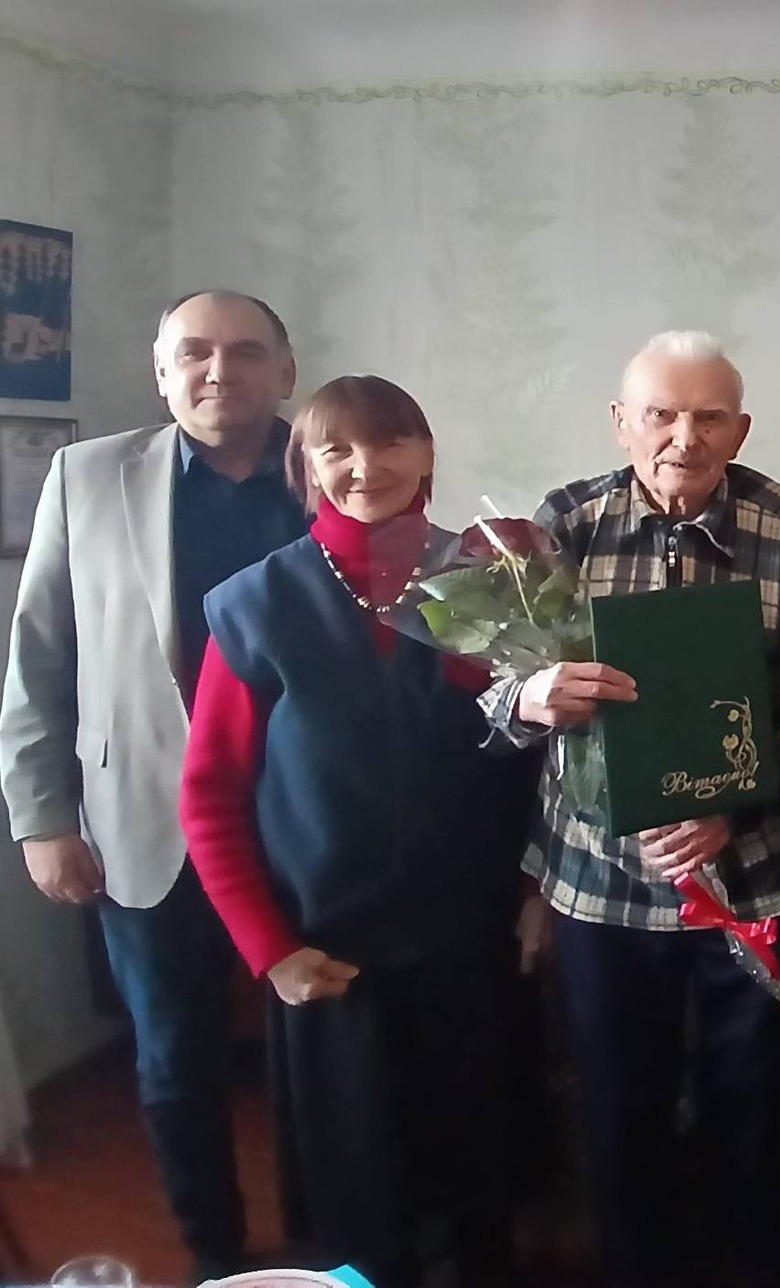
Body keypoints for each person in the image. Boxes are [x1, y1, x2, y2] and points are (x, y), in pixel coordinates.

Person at [479, 330, 780, 1288]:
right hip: (602, 887)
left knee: (757, 1111)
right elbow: (496, 695)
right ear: (621, 422)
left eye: (709, 417)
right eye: (662, 415)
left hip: (749, 880)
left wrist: (737, 803)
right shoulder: (565, 524)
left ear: (740, 430)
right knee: (619, 1113)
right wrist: (532, 697)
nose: (684, 437)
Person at [180, 375, 535, 1287]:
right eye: (336, 448)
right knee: (364, 1215)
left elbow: (541, 758)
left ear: (426, 454)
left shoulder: (484, 577)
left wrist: (538, 896)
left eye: (389, 442)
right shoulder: (257, 603)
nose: (365, 466)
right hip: (329, 955)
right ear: (306, 466)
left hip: (470, 940)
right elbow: (211, 792)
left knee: (482, 1194)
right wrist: (270, 951)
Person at [0, 290, 307, 1281]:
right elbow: (39, 656)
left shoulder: (336, 467)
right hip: (145, 820)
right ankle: (215, 1249)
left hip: (307, 823)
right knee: (176, 1055)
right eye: (196, 352)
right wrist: (42, 816)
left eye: (246, 352)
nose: (221, 371)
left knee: (320, 1048)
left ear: (286, 371)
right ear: (161, 370)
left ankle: (329, 1236)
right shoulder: (87, 475)